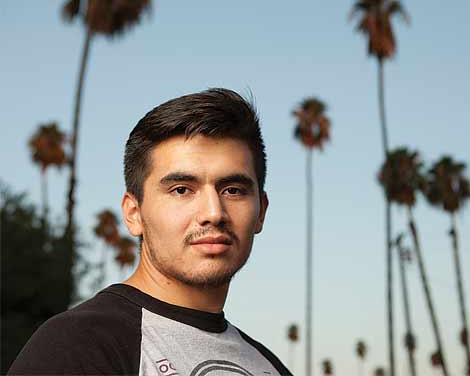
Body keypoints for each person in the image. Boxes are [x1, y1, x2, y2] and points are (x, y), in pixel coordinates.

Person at [9, 88, 292, 376]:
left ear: (261, 211)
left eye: (233, 190)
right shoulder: (79, 345)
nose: (213, 213)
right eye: (181, 190)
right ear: (134, 214)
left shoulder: (269, 365)